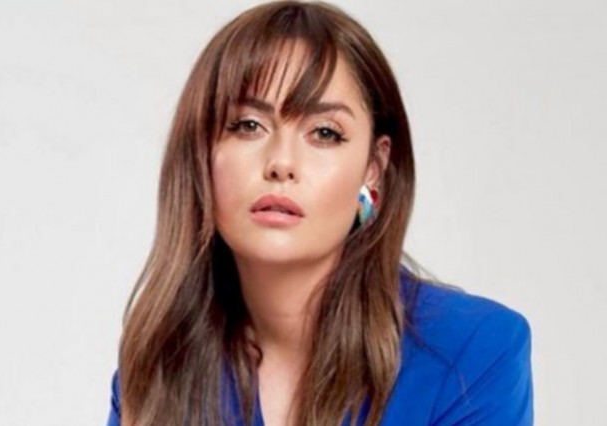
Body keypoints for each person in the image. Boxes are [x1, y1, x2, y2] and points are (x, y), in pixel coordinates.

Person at [105, 1, 533, 425]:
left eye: (325, 133)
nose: (281, 162)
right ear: (200, 154)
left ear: (373, 168)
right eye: (248, 125)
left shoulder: (472, 353)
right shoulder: (160, 361)